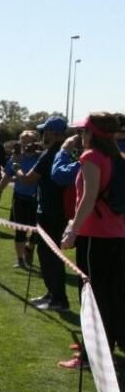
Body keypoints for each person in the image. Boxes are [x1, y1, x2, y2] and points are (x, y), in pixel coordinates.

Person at [59, 113, 125, 368]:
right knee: (110, 293)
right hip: (116, 235)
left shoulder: (91, 158)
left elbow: (88, 197)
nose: (80, 136)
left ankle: (91, 356)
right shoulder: (115, 157)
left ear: (92, 133)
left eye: (83, 131)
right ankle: (99, 344)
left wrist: (73, 229)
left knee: (92, 295)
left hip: (96, 236)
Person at [22, 116, 72, 311]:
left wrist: (17, 168)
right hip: (59, 211)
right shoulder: (64, 152)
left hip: (50, 211)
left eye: (44, 132)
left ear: (52, 133)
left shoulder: (50, 154)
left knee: (49, 255)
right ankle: (52, 293)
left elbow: (28, 180)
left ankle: (59, 299)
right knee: (49, 254)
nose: (42, 135)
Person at [0, 131, 41, 268]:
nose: (25, 143)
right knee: (20, 230)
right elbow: (7, 176)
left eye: (28, 140)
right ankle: (20, 259)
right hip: (20, 198)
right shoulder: (16, 159)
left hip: (37, 200)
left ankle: (29, 247)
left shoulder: (41, 158)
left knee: (36, 230)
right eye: (23, 140)